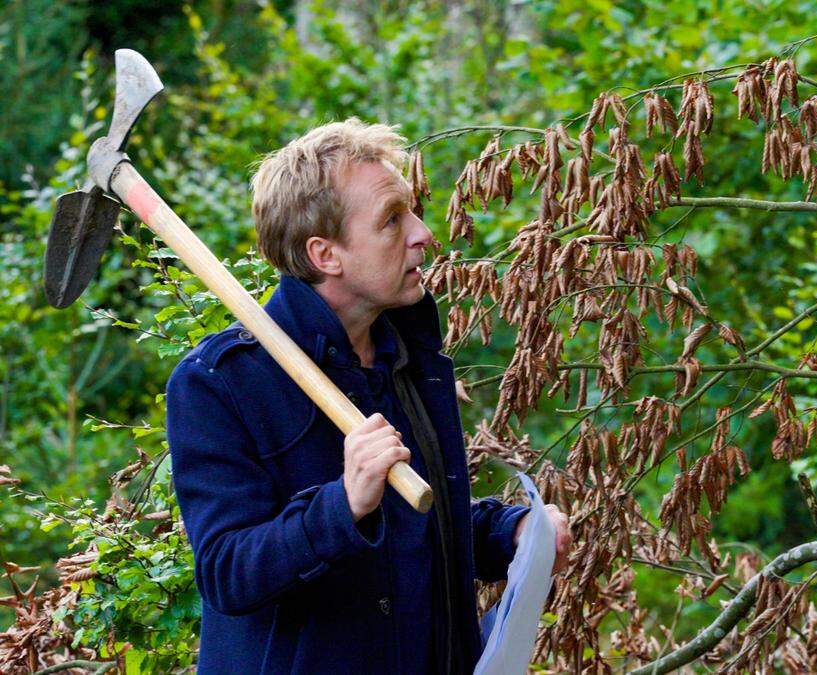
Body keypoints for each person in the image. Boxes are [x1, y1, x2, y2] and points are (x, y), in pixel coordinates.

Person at [165, 118, 572, 673]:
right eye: (390, 220)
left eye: (411, 210)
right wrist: (344, 504)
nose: (422, 233)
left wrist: (512, 532)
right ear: (326, 255)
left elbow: (423, 523)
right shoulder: (220, 383)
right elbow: (227, 572)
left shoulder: (408, 361)